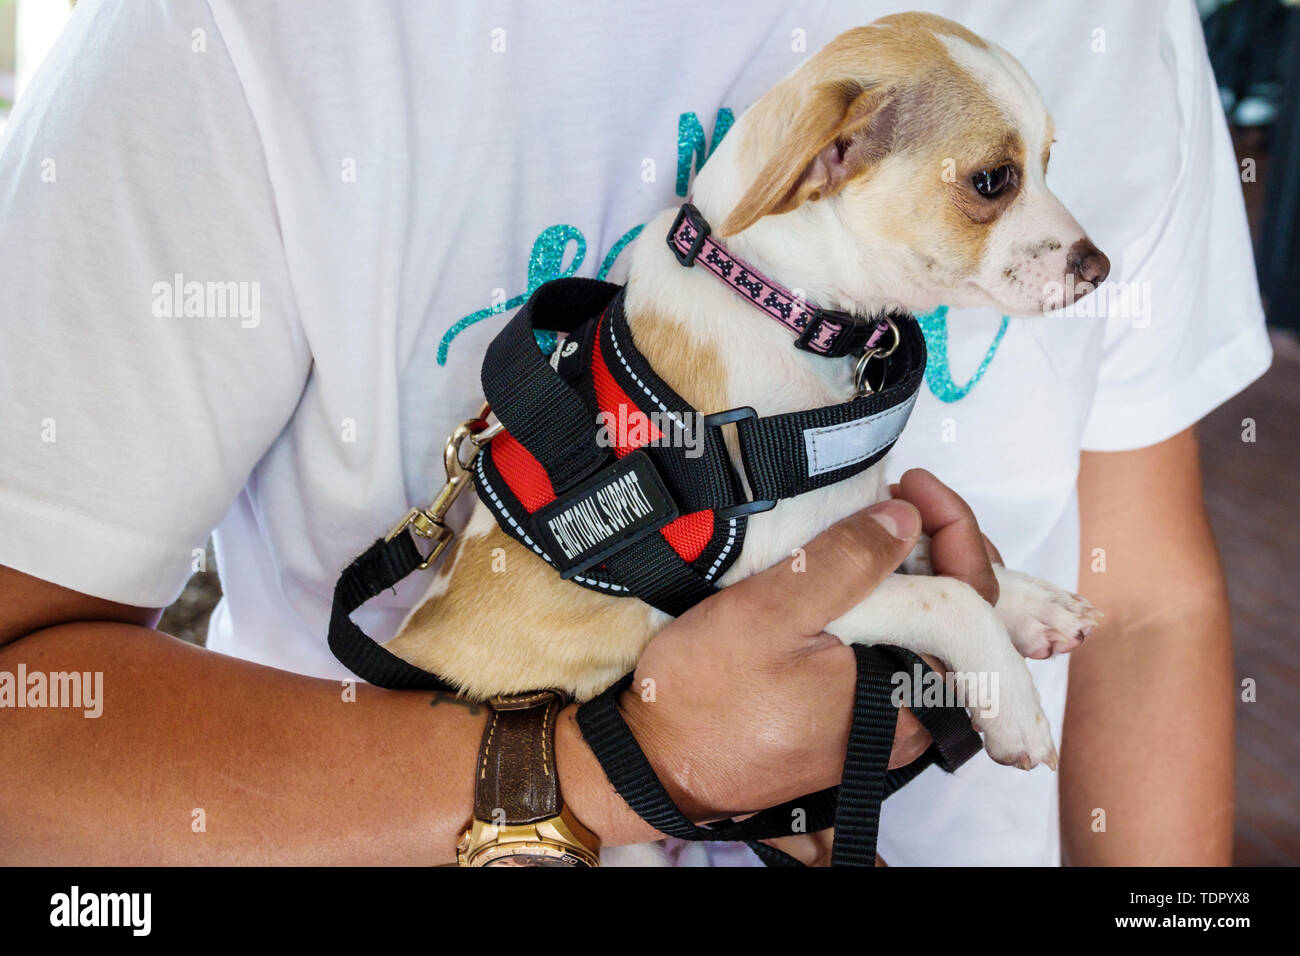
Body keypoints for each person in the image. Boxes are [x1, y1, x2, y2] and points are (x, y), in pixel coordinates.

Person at [0, 0, 1269, 865]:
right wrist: (616, 765)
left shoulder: (1118, 23)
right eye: (994, 181)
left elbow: (1146, 604)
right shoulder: (241, 34)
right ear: (821, 164)